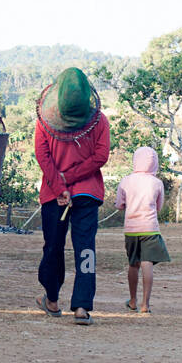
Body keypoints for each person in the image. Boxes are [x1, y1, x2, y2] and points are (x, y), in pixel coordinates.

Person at [33, 67, 110, 325]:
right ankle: (82, 307)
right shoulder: (100, 121)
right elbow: (100, 157)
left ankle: (52, 300)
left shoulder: (44, 122)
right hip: (88, 193)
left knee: (53, 245)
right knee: (85, 248)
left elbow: (43, 156)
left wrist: (60, 185)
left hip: (54, 196)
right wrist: (72, 179)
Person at [115, 146, 171, 313]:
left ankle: (132, 300)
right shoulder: (157, 183)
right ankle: (145, 305)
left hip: (131, 230)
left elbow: (119, 205)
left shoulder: (125, 180)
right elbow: (159, 207)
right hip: (150, 229)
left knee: (133, 265)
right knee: (147, 265)